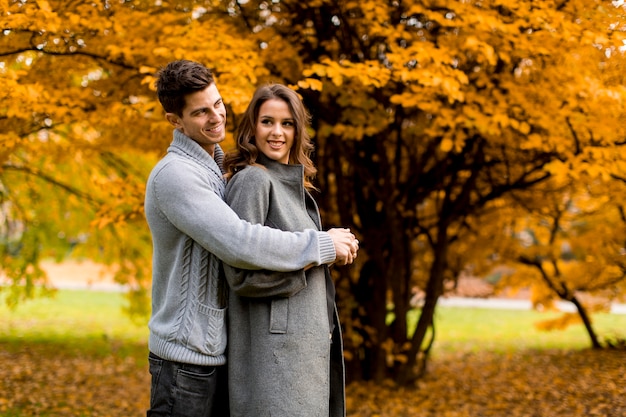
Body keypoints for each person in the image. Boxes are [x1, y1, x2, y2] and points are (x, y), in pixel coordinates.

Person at [144, 60, 359, 417]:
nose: (216, 117)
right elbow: (240, 242)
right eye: (200, 112)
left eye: (218, 104)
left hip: (212, 352)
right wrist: (321, 245)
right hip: (183, 358)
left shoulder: (214, 170)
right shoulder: (177, 175)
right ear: (175, 121)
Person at [222, 84, 351, 417]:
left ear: (298, 130)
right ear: (252, 127)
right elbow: (241, 276)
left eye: (287, 123)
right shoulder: (253, 181)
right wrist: (319, 253)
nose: (277, 132)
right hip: (273, 362)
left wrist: (329, 250)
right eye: (267, 122)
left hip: (302, 355)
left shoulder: (295, 187)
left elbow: (295, 257)